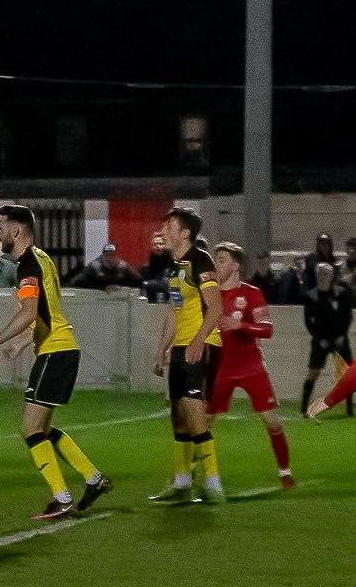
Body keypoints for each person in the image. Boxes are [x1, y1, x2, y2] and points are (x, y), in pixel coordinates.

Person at [0, 204, 109, 519]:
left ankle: (61, 497)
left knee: (31, 429)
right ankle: (93, 479)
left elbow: (29, 313)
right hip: (59, 348)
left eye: (1, 229)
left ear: (15, 230)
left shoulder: (28, 265)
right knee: (44, 428)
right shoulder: (43, 258)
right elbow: (49, 314)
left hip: (55, 352)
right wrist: (26, 343)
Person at [149, 207, 225, 504]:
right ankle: (182, 484)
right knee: (179, 417)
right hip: (181, 348)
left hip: (200, 345)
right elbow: (174, 311)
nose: (163, 231)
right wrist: (162, 350)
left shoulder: (201, 261)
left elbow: (216, 307)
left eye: (169, 226)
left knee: (195, 416)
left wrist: (198, 341)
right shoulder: (175, 266)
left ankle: (214, 484)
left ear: (185, 233)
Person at [206, 242, 293, 487]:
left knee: (272, 421)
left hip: (251, 367)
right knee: (203, 423)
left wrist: (241, 326)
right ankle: (188, 472)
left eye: (222, 260)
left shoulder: (252, 294)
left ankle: (284, 471)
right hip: (219, 369)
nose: (217, 265)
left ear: (235, 265)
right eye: (216, 260)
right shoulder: (210, 297)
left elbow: (267, 329)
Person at [302, 262, 353, 417]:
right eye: (320, 274)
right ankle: (304, 407)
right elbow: (308, 321)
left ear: (332, 276)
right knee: (313, 372)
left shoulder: (341, 294)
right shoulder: (311, 296)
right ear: (316, 276)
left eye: (326, 274)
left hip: (339, 339)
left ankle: (350, 409)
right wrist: (317, 335)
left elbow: (348, 317)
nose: (323, 277)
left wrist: (341, 335)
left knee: (348, 374)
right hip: (321, 339)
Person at [70, 243, 140, 291]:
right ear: (103, 256)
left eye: (113, 256)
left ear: (117, 257)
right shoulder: (94, 266)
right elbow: (76, 282)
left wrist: (122, 287)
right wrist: (102, 287)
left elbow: (138, 280)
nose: (110, 259)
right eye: (107, 255)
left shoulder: (123, 267)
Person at [141, 234, 175, 303]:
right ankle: (152, 302)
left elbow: (171, 270)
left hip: (169, 279)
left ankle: (164, 300)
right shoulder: (153, 255)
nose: (158, 246)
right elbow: (152, 270)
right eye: (155, 244)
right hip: (158, 278)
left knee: (164, 281)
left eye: (160, 244)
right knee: (144, 271)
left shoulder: (169, 254)